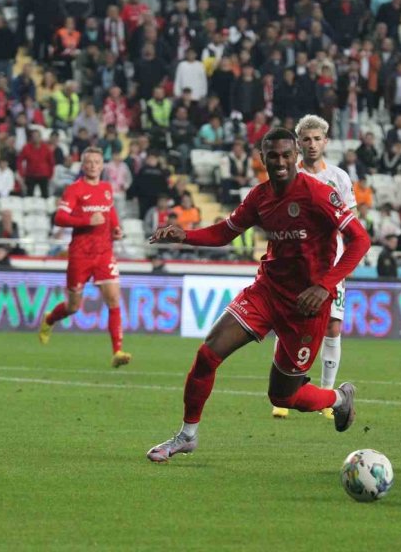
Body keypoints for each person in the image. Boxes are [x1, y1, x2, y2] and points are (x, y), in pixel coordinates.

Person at [145, 128, 370, 463]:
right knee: (208, 353)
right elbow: (225, 232)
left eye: (286, 155)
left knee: (283, 397)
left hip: (306, 305)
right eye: (272, 156)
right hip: (267, 291)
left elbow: (360, 240)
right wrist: (184, 235)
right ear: (262, 158)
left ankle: (338, 399)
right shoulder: (260, 196)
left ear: (295, 156)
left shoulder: (319, 194)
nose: (279, 162)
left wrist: (325, 286)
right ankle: (187, 436)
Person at [270, 114, 358, 420]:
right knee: (287, 323)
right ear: (298, 143)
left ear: (326, 142)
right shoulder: (286, 175)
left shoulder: (339, 177)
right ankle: (284, 393)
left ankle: (328, 397)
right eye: (306, 139)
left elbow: (352, 223)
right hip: (294, 263)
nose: (312, 144)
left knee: (333, 326)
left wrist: (349, 259)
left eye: (317, 139)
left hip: (330, 264)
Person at [38, 148, 130, 369]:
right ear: (82, 165)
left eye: (96, 162)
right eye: (88, 162)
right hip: (80, 255)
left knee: (114, 299)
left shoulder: (106, 188)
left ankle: (117, 351)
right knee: (73, 307)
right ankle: (50, 319)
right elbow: (60, 218)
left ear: (102, 165)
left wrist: (116, 228)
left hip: (104, 253)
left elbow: (110, 211)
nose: (92, 166)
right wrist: (87, 221)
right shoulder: (74, 189)